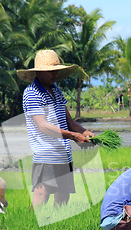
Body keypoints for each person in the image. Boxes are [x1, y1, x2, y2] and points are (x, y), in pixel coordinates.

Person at [18, 49, 94, 207]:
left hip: (64, 154)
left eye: (56, 71)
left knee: (63, 198)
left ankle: (54, 227)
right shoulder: (32, 93)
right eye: (51, 71)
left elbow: (70, 122)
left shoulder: (57, 92)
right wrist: (74, 136)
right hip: (46, 155)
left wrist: (85, 132)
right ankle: (33, 228)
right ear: (39, 72)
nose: (55, 75)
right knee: (42, 194)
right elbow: (43, 126)